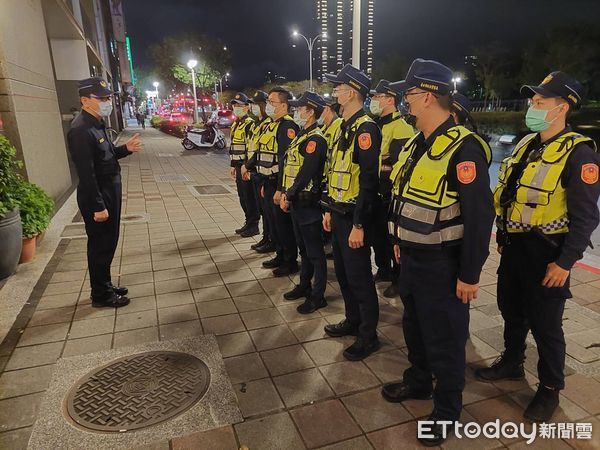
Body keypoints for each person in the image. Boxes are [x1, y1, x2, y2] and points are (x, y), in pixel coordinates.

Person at [474, 72, 600, 422]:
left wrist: (565, 263)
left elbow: (587, 217)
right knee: (510, 309)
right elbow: (510, 192)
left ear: (561, 108)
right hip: (515, 247)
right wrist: (502, 234)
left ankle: (549, 389)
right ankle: (512, 361)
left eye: (540, 102)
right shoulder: (527, 143)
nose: (532, 106)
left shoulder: (580, 154)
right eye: (533, 101)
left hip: (548, 254)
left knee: (546, 325)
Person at [382, 59, 494, 446]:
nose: (404, 102)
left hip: (443, 266)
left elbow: (481, 218)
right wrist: (398, 241)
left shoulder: (463, 149)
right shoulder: (418, 143)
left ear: (427, 96)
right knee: (414, 330)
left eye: (408, 95)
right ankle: (418, 383)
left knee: (445, 340)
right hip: (411, 259)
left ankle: (447, 412)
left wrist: (470, 274)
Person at [321, 64, 382, 361]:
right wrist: (329, 209)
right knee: (344, 275)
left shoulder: (366, 128)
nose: (335, 92)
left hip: (356, 218)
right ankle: (352, 320)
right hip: (340, 213)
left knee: (360, 278)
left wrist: (359, 223)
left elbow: (369, 181)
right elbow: (336, 172)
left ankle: (369, 335)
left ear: (353, 91)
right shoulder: (344, 125)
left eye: (339, 87)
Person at [67, 77, 142, 308]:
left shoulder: (96, 123)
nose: (107, 101)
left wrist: (124, 150)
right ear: (84, 100)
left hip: (109, 189)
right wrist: (98, 206)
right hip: (99, 195)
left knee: (108, 243)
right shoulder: (81, 130)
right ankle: (101, 295)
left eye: (108, 97)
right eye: (102, 98)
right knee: (101, 245)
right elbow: (87, 174)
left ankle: (105, 284)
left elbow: (104, 158)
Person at [281, 91, 329, 314]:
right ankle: (304, 285)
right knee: (304, 249)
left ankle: (318, 295)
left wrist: (289, 194)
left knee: (315, 253)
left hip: (308, 204)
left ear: (311, 112)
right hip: (297, 203)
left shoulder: (316, 139)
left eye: (299, 109)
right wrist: (286, 193)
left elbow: (306, 172)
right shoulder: (302, 135)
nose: (296, 112)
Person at [242, 87, 299, 276]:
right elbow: (260, 153)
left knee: (283, 225)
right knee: (274, 223)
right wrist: (250, 168)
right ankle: (280, 255)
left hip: (278, 183)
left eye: (271, 102)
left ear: (283, 105)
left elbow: (285, 160)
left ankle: (290, 261)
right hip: (267, 182)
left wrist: (281, 189)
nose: (268, 106)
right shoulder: (270, 124)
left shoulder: (287, 127)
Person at [368, 80, 415, 298]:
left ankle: (398, 278)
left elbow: (396, 164)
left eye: (378, 97)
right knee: (377, 236)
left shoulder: (401, 127)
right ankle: (384, 270)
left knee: (392, 239)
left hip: (388, 193)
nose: (374, 101)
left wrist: (383, 165)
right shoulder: (376, 125)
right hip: (374, 191)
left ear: (390, 100)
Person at [246, 91, 275, 252]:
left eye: (256, 104)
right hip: (257, 171)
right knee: (263, 209)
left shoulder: (270, 123)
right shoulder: (258, 124)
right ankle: (266, 237)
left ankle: (271, 239)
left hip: (264, 173)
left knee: (268, 211)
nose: (253, 107)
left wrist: (249, 166)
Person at [229, 93, 260, 237]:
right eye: (234, 105)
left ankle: (253, 225)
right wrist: (232, 165)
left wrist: (247, 167)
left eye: (239, 105)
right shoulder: (236, 124)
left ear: (247, 107)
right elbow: (234, 146)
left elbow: (251, 147)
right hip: (238, 165)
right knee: (242, 197)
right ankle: (248, 222)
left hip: (245, 167)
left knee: (249, 197)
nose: (236, 108)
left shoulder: (249, 124)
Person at [320, 98, 343, 259]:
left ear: (328, 109)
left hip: (334, 183)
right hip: (324, 182)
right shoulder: (324, 128)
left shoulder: (339, 127)